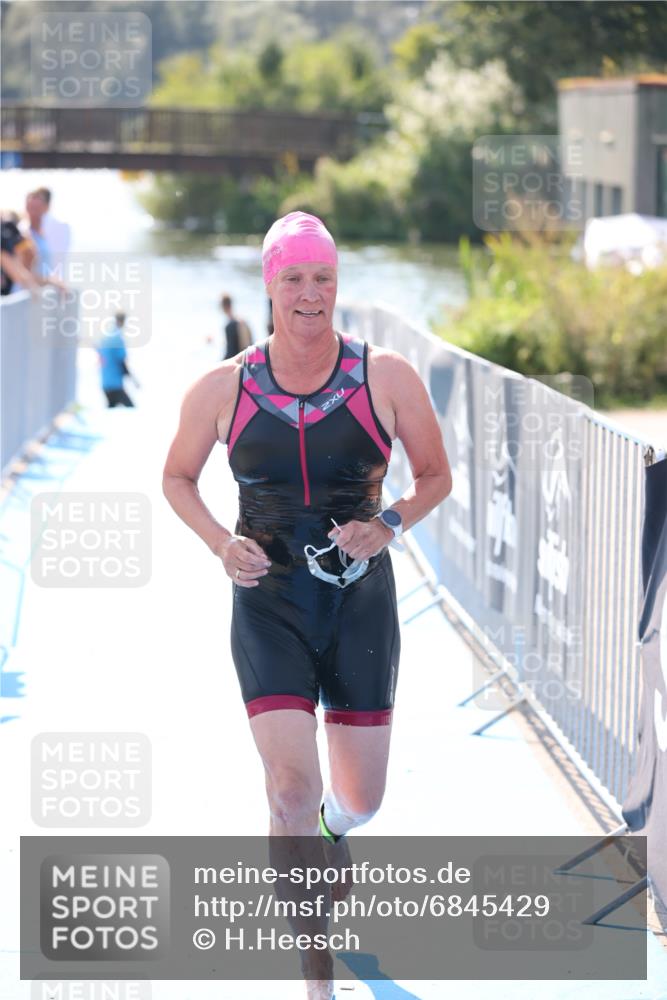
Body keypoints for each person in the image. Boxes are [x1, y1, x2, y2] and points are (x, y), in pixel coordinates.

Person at [162, 211, 452, 1000]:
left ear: (337, 285)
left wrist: (386, 524)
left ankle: (334, 827)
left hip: (359, 607)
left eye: (322, 277)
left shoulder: (383, 376)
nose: (309, 294)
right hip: (268, 604)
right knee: (286, 793)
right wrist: (220, 542)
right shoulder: (222, 387)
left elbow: (433, 476)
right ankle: (314, 975)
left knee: (359, 800)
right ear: (269, 284)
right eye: (292, 277)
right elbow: (177, 478)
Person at [96, 312, 137, 408]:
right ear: (123, 321)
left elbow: (99, 352)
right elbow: (121, 362)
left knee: (112, 408)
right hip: (115, 383)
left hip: (105, 382)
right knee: (131, 408)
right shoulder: (118, 339)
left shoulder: (106, 337)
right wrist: (133, 380)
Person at [220, 293, 252, 359]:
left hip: (236, 361)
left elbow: (230, 352)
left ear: (223, 306)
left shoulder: (229, 326)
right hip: (245, 360)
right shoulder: (243, 322)